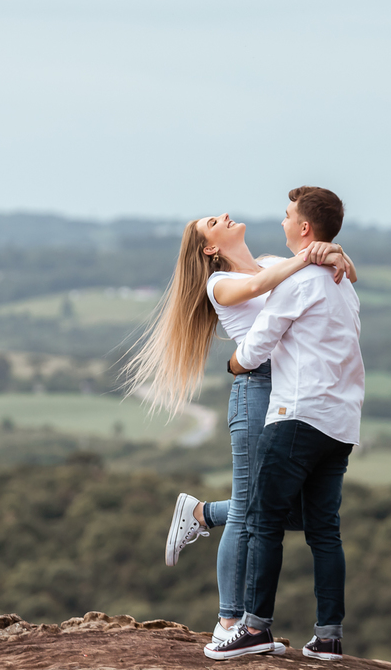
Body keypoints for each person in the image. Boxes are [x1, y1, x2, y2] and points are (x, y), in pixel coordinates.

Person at [122, 209, 355, 647]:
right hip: (257, 389)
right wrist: (316, 254)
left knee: (299, 514)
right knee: (252, 507)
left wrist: (335, 253)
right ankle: (230, 622)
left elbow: (333, 275)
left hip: (295, 386)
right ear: (210, 249)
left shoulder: (272, 262)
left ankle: (203, 513)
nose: (224, 215)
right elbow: (260, 286)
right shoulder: (220, 284)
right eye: (212, 223)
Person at [205, 186, 363, 662]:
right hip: (342, 421)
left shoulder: (297, 278)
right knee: (324, 531)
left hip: (294, 411)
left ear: (304, 228)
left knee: (262, 520)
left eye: (288, 215)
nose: (281, 220)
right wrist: (326, 254)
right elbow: (256, 285)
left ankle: (252, 627)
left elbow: (256, 347)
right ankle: (329, 636)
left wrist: (232, 366)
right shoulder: (338, 280)